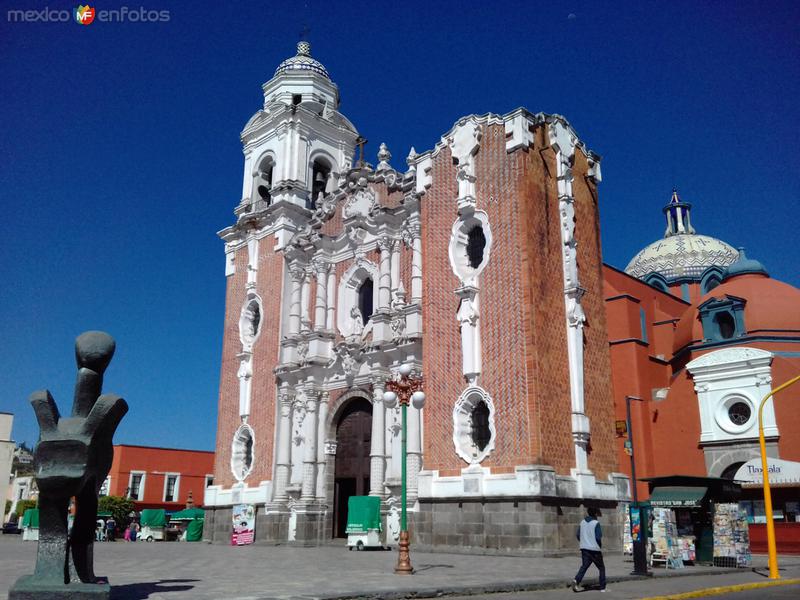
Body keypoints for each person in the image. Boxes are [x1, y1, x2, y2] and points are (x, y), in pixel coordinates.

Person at [572, 506, 607, 592]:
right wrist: (599, 545)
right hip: (594, 549)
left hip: (584, 548)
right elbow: (598, 537)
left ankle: (577, 580)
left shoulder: (582, 522)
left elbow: (578, 534)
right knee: (601, 568)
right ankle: (602, 587)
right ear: (595, 514)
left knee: (584, 566)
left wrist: (583, 541)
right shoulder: (596, 523)